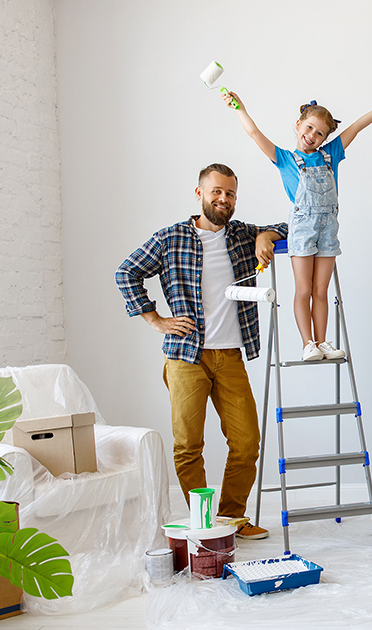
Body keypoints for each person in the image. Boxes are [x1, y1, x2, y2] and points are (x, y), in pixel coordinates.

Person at [115, 163, 287, 540]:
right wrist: (155, 319)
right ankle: (204, 522)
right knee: (189, 445)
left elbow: (291, 227)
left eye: (230, 193)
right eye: (216, 192)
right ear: (200, 194)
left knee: (246, 443)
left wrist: (268, 235)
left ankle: (232, 517)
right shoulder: (171, 238)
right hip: (184, 355)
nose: (223, 199)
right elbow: (126, 272)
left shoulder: (243, 234)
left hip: (229, 355)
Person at [222, 89, 372, 361]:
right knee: (303, 290)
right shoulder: (285, 159)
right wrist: (239, 107)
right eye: (310, 128)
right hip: (302, 229)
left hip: (328, 229)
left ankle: (323, 341)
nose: (313, 136)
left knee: (320, 291)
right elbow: (255, 133)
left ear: (326, 138)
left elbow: (357, 127)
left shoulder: (331, 154)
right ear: (298, 125)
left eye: (320, 134)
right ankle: (308, 343)